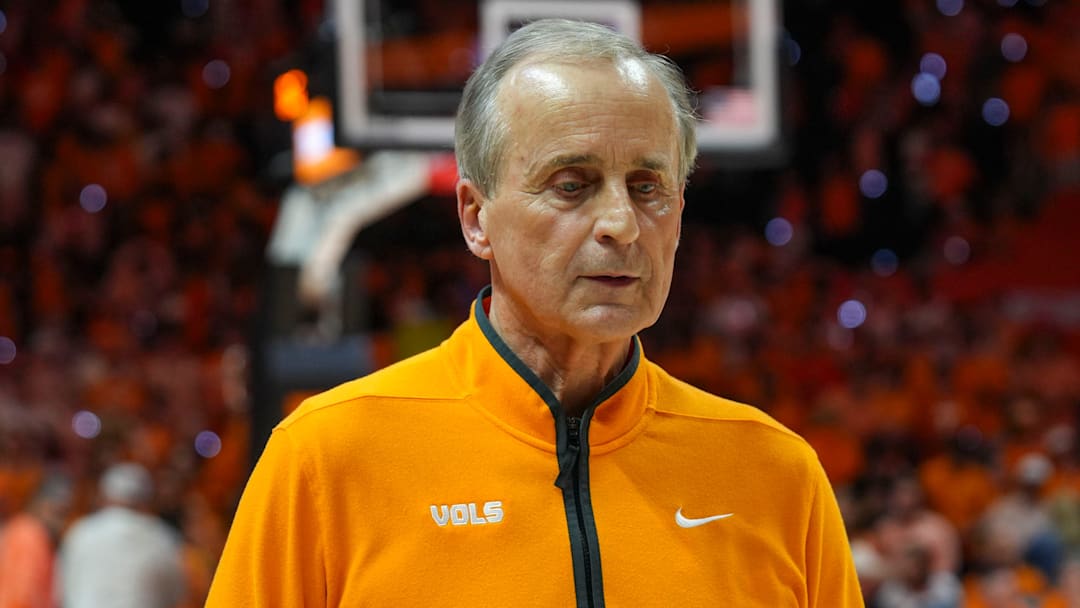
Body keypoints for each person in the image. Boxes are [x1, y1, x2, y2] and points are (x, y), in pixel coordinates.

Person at [206, 18, 863, 606]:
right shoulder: (323, 461)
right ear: (475, 217)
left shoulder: (777, 475)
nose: (620, 225)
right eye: (571, 185)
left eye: (648, 188)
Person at [55, 462, 187, 608]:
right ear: (146, 503)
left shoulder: (81, 532)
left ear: (103, 498)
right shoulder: (161, 537)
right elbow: (174, 594)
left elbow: (60, 589)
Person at [0, 474, 71, 608]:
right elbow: (24, 591)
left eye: (64, 514)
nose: (59, 522)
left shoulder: (25, 530)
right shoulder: (29, 534)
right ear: (39, 504)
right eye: (56, 512)